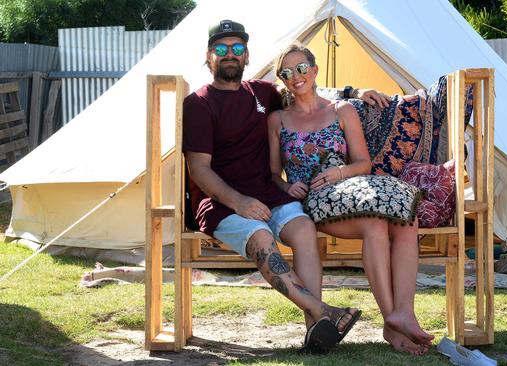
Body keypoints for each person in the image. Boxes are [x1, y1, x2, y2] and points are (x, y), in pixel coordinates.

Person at [182, 20, 380, 353]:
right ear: (208, 56)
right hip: (220, 202)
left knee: (303, 229)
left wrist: (353, 93)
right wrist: (239, 202)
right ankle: (322, 312)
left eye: (237, 48)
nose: (229, 54)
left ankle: (315, 332)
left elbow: (307, 92)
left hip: (270, 194)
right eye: (220, 48)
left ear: (247, 56)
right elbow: (199, 169)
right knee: (260, 237)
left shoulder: (263, 93)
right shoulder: (199, 103)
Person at [268, 43, 435, 356]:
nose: (296, 76)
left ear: (315, 70)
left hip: (349, 187)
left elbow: (363, 164)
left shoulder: (341, 110)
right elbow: (273, 174)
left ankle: (401, 315)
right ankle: (393, 322)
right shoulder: (277, 119)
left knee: (405, 219)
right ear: (282, 79)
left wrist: (339, 173)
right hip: (314, 200)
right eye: (287, 73)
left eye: (302, 68)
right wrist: (287, 187)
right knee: (376, 223)